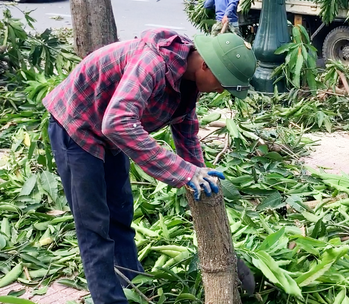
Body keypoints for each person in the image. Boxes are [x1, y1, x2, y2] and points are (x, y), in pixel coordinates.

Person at [43, 30, 257, 304]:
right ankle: (111, 300)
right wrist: (183, 172)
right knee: (95, 226)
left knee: (120, 215)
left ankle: (135, 288)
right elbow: (118, 122)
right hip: (78, 125)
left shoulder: (189, 80)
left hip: (110, 138)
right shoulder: (153, 63)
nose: (220, 91)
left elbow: (187, 131)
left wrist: (200, 175)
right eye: (221, 83)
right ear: (205, 64)